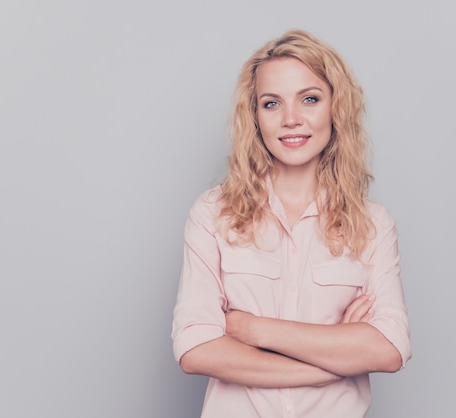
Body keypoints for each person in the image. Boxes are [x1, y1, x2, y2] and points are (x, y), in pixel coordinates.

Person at [171, 29, 411, 418]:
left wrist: (256, 331)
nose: (292, 119)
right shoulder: (213, 214)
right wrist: (334, 357)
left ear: (336, 108)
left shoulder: (373, 224)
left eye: (310, 99)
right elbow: (196, 349)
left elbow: (389, 349)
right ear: (254, 117)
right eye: (271, 104)